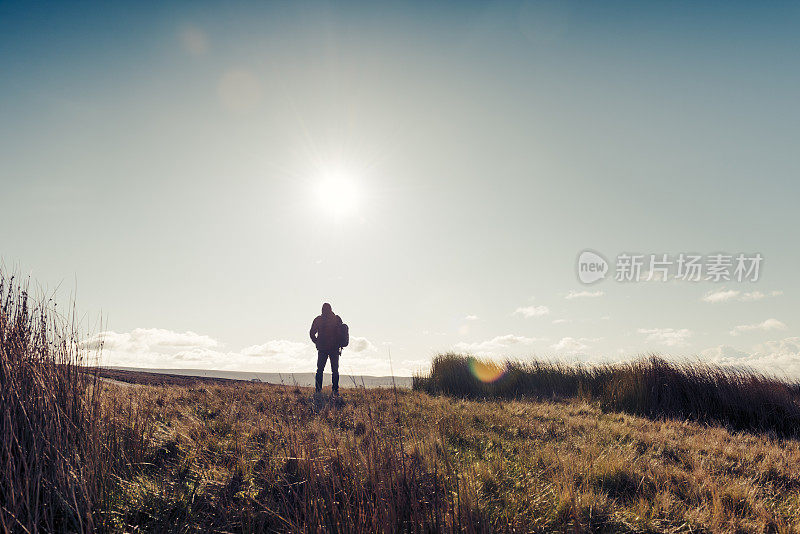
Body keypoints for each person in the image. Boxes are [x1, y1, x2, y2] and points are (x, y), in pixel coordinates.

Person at [309, 302, 344, 395]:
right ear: (331, 309)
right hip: (335, 348)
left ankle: (318, 391)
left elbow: (312, 333)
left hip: (322, 348)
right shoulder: (337, 319)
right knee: (335, 370)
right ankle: (335, 391)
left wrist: (317, 342)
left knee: (320, 370)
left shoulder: (318, 320)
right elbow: (342, 333)